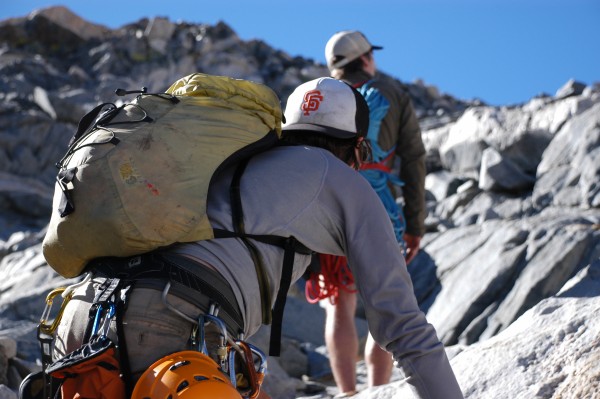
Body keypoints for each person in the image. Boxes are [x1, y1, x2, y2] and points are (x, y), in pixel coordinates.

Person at [52, 77, 462, 399]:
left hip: (80, 319)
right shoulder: (340, 179)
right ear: (356, 149)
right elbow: (404, 328)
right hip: (167, 327)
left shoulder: (236, 157)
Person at [308, 30, 428, 396]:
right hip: (381, 209)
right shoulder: (393, 94)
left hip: (328, 208)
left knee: (339, 306)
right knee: (385, 302)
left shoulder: (318, 95)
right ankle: (379, 391)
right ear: (365, 59)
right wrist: (415, 225)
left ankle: (347, 393)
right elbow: (414, 162)